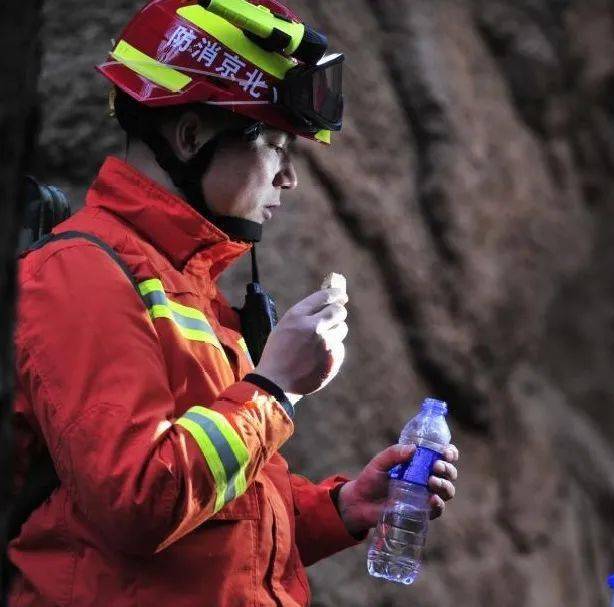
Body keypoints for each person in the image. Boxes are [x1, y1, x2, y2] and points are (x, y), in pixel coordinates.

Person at [7, 1, 458, 605]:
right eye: (275, 144)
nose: (288, 178)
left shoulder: (187, 286)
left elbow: (220, 527)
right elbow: (140, 503)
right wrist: (275, 389)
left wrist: (344, 508)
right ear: (191, 136)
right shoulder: (81, 276)